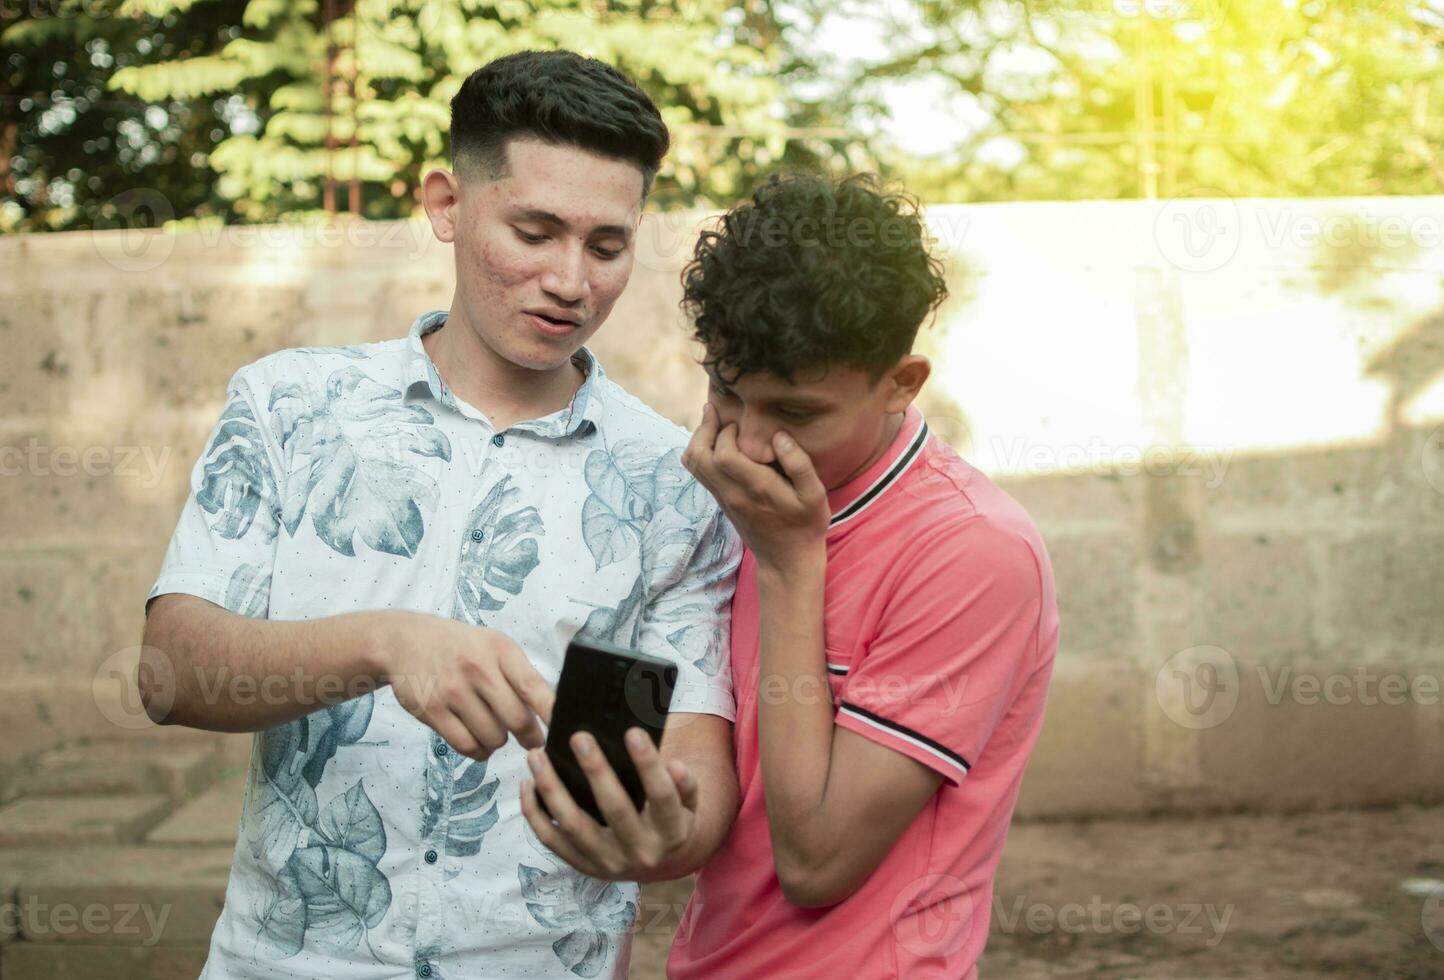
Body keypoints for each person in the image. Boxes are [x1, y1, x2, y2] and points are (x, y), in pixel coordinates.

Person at [139, 49, 741, 980]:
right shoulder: (289, 404)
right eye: (535, 231)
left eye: (608, 246)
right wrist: (383, 642)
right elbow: (171, 673)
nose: (572, 280)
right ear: (445, 205)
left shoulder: (675, 480)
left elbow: (697, 780)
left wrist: (666, 832)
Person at [669, 171, 1060, 977]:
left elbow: (816, 863)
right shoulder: (735, 499)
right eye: (726, 393)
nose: (748, 442)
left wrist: (788, 567)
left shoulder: (973, 553)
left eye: (798, 413)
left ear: (901, 384)